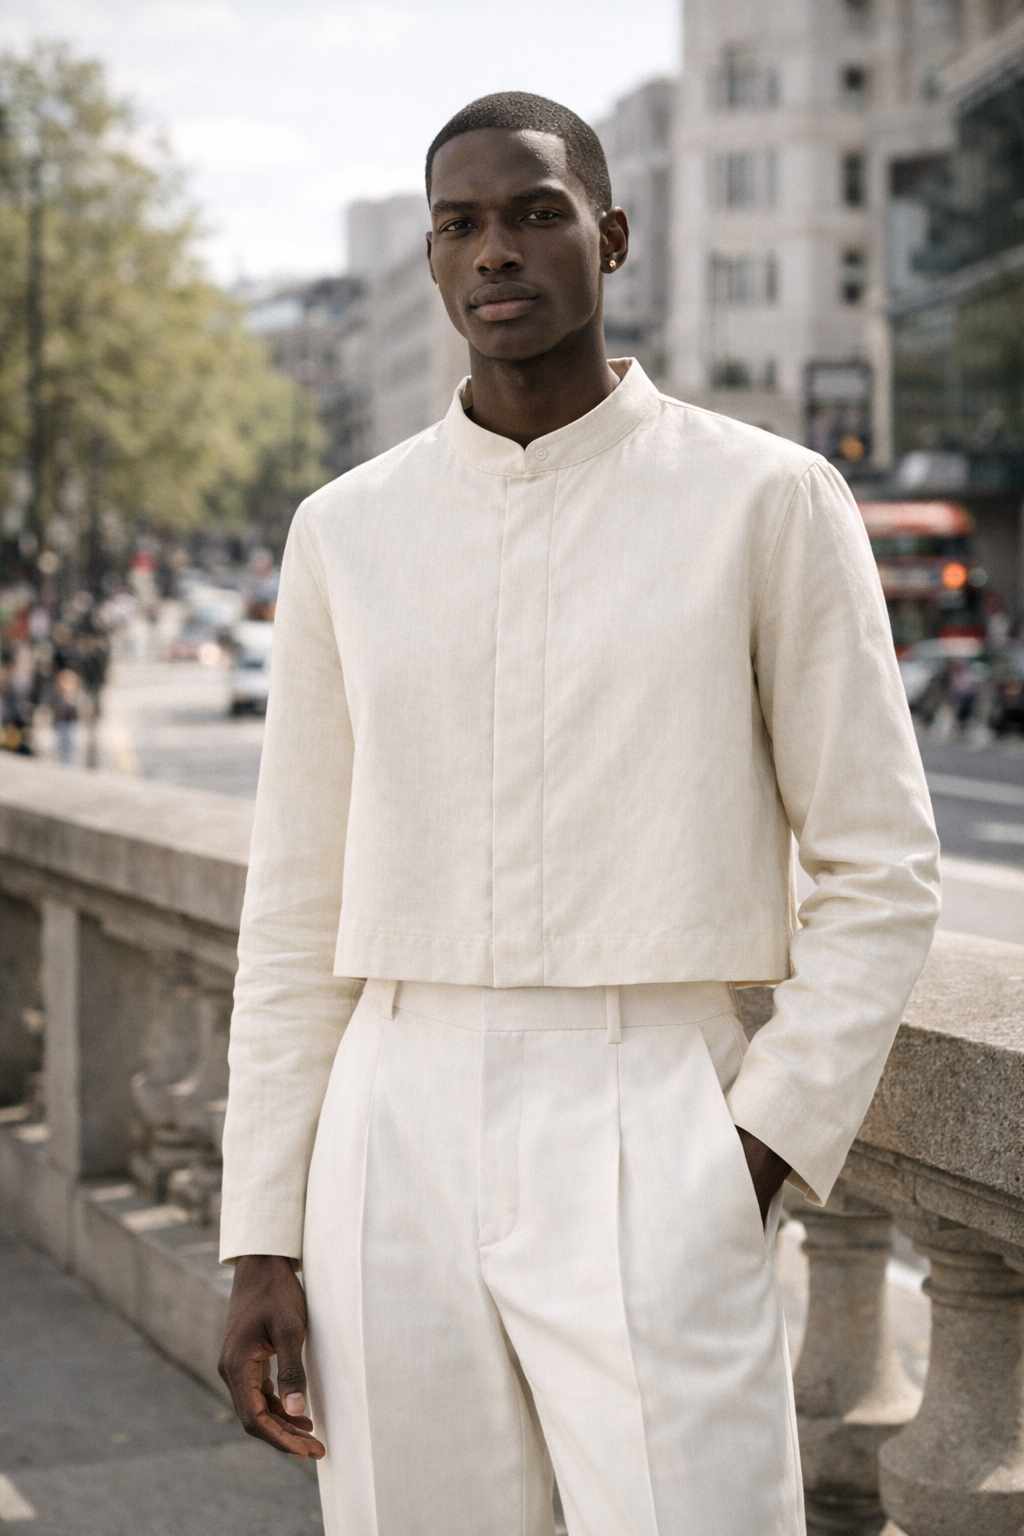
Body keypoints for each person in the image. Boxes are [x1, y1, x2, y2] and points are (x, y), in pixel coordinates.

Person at [217, 93, 940, 1536]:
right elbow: (294, 905)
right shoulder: (344, 533)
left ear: (609, 238)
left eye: (535, 213)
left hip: (651, 1102)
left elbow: (882, 867)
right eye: (461, 224)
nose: (497, 249)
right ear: (432, 264)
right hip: (393, 1114)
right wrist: (260, 1239)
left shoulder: (769, 500)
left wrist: (758, 1146)